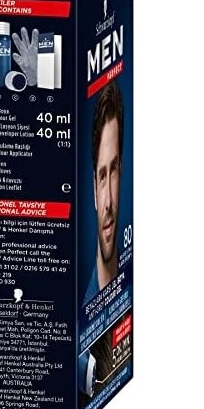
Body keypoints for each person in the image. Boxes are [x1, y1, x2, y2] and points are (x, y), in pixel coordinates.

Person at [84, 81, 124, 306]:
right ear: (93, 189)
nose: (108, 201)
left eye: (114, 170)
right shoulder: (84, 313)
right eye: (101, 176)